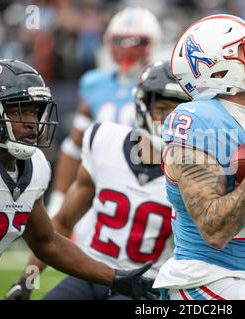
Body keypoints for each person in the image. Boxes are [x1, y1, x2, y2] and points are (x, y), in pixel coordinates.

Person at [0, 59, 154, 300]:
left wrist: (115, 278)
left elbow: (47, 243)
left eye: (34, 111)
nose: (31, 122)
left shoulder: (35, 168)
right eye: (18, 111)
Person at [4, 61, 190, 300]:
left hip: (146, 286)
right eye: (162, 108)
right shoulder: (104, 141)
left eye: (179, 113)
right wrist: (27, 281)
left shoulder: (194, 172)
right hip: (93, 274)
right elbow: (62, 223)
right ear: (142, 105)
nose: (168, 120)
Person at [153, 14, 245, 300]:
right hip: (196, 279)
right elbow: (214, 232)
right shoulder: (196, 120)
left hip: (242, 279)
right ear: (218, 70)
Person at [48, 8, 162, 247]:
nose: (127, 49)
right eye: (120, 42)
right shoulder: (94, 82)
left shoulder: (163, 84)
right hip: (99, 180)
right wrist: (58, 198)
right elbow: (74, 145)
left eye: (136, 42)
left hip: (148, 182)